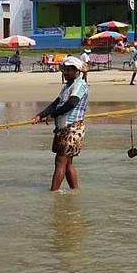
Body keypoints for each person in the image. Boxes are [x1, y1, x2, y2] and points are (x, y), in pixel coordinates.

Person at [31, 56, 89, 191]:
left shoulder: (80, 84)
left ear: (77, 71)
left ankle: (53, 192)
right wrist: (40, 115)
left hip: (73, 128)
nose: (66, 73)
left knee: (60, 161)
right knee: (67, 163)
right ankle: (74, 191)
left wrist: (53, 116)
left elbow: (72, 103)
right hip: (63, 128)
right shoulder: (67, 87)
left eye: (69, 70)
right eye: (65, 70)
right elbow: (56, 103)